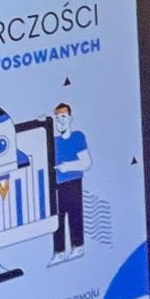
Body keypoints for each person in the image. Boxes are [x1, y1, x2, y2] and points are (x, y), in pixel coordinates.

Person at [50, 103, 91, 265]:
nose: (60, 121)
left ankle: (78, 246)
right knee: (57, 218)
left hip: (73, 182)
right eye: (57, 117)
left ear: (70, 118)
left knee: (75, 214)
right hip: (56, 185)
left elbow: (86, 163)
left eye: (63, 117)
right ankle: (59, 251)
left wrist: (67, 167)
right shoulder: (52, 141)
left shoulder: (77, 137)